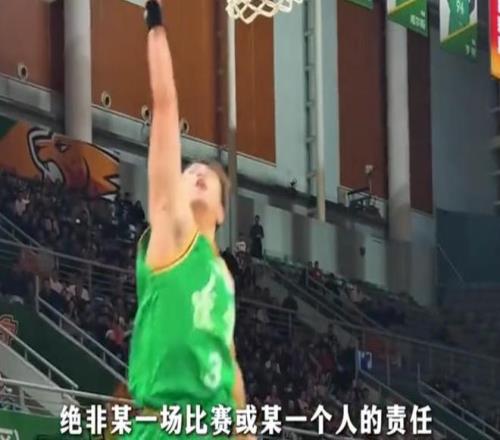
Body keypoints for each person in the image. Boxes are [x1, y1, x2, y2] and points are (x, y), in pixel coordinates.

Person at [123, 2, 250, 439]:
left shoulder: (224, 277)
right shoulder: (173, 233)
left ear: (221, 211)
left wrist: (245, 429)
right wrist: (155, 27)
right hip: (166, 425)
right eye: (189, 170)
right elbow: (164, 106)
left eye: (207, 175)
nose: (196, 171)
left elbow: (229, 359)